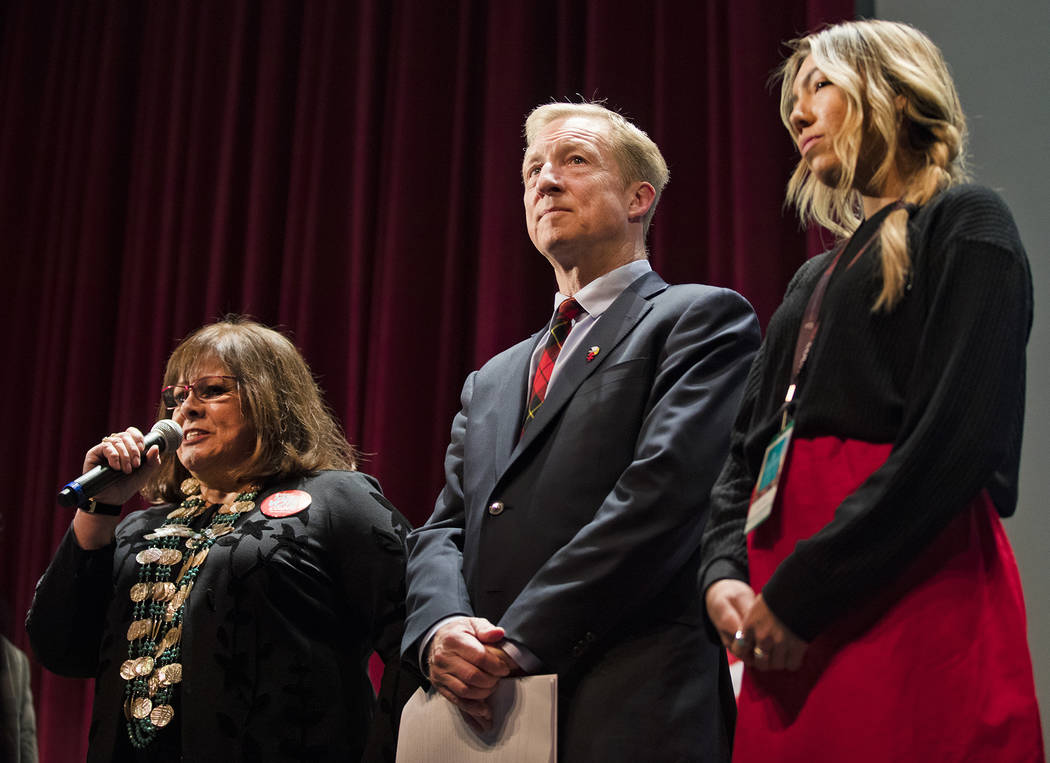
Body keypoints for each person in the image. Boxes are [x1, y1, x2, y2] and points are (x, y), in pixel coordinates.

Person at [700, 20, 1044, 761]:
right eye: (793, 97)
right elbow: (743, 454)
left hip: (901, 590)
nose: (796, 113)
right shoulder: (808, 280)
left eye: (819, 85)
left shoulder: (966, 223)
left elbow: (956, 441)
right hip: (783, 619)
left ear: (891, 90)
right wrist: (722, 571)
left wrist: (803, 590)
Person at [402, 101, 760, 761]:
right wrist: (441, 628)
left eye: (573, 160)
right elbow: (442, 529)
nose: (544, 180)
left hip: (629, 703)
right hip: (484, 715)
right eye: (533, 169)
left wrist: (516, 640)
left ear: (638, 197)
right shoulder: (494, 377)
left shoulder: (698, 319)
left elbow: (659, 500)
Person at [27, 317, 416, 762]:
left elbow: (417, 635)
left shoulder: (335, 499)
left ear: (272, 400)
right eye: (177, 396)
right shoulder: (139, 528)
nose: (185, 409)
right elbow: (60, 649)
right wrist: (100, 509)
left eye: (211, 390)